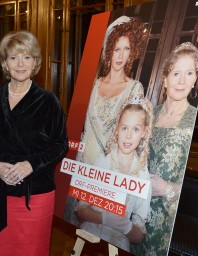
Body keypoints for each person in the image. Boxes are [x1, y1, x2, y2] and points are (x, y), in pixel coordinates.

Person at [0, 31, 68, 256]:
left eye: (27, 57)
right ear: (5, 63)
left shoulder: (48, 101)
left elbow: (61, 144)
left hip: (36, 196)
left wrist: (30, 164)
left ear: (35, 62)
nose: (20, 64)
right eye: (13, 58)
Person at [64, 15, 148, 223]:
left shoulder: (134, 88)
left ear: (132, 52)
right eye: (116, 49)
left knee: (105, 231)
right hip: (83, 168)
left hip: (110, 173)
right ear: (108, 51)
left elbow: (134, 134)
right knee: (78, 231)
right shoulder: (91, 86)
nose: (120, 55)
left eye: (126, 49)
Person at [131, 42, 198, 256]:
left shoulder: (197, 122)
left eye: (189, 73)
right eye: (176, 73)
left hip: (173, 225)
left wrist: (166, 189)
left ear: (195, 80)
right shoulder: (148, 115)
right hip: (137, 217)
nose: (182, 80)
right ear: (165, 79)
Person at [75, 96, 153, 253]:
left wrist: (126, 226)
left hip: (117, 245)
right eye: (124, 128)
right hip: (90, 237)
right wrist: (105, 218)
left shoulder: (142, 176)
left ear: (144, 132)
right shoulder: (101, 162)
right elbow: (81, 211)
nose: (129, 136)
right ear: (117, 128)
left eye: (136, 129)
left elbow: (138, 235)